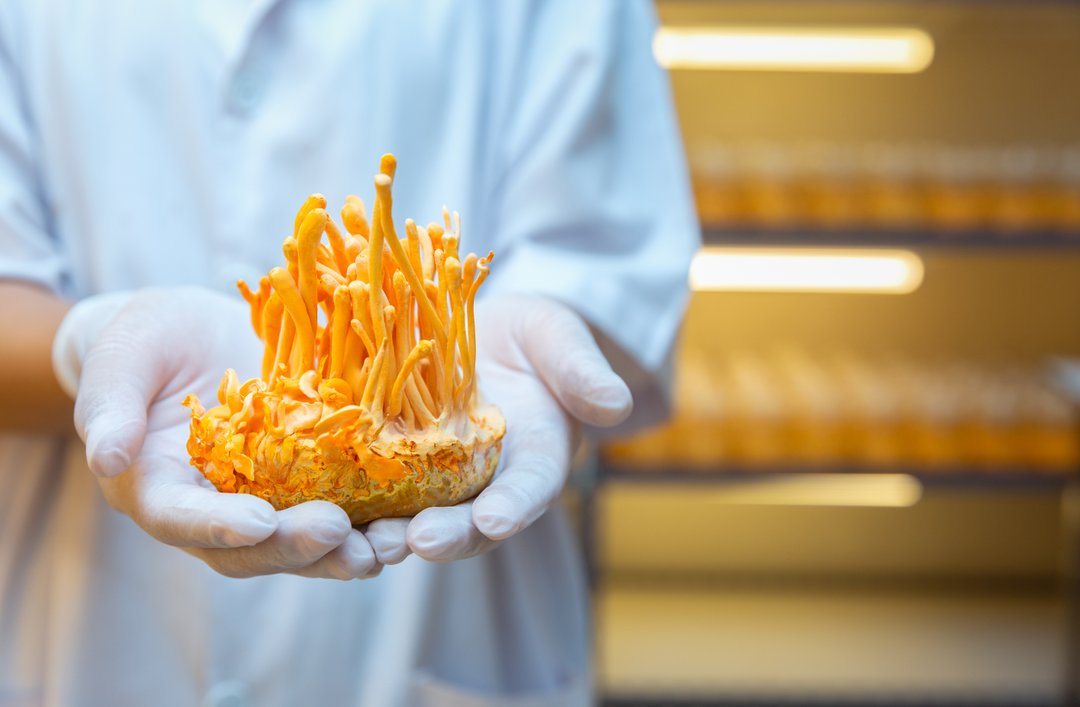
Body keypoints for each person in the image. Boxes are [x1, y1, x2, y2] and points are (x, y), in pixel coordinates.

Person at [0, 1, 697, 705]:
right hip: (89, 629)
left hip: (446, 620)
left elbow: (611, 260)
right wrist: (85, 346)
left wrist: (538, 340)